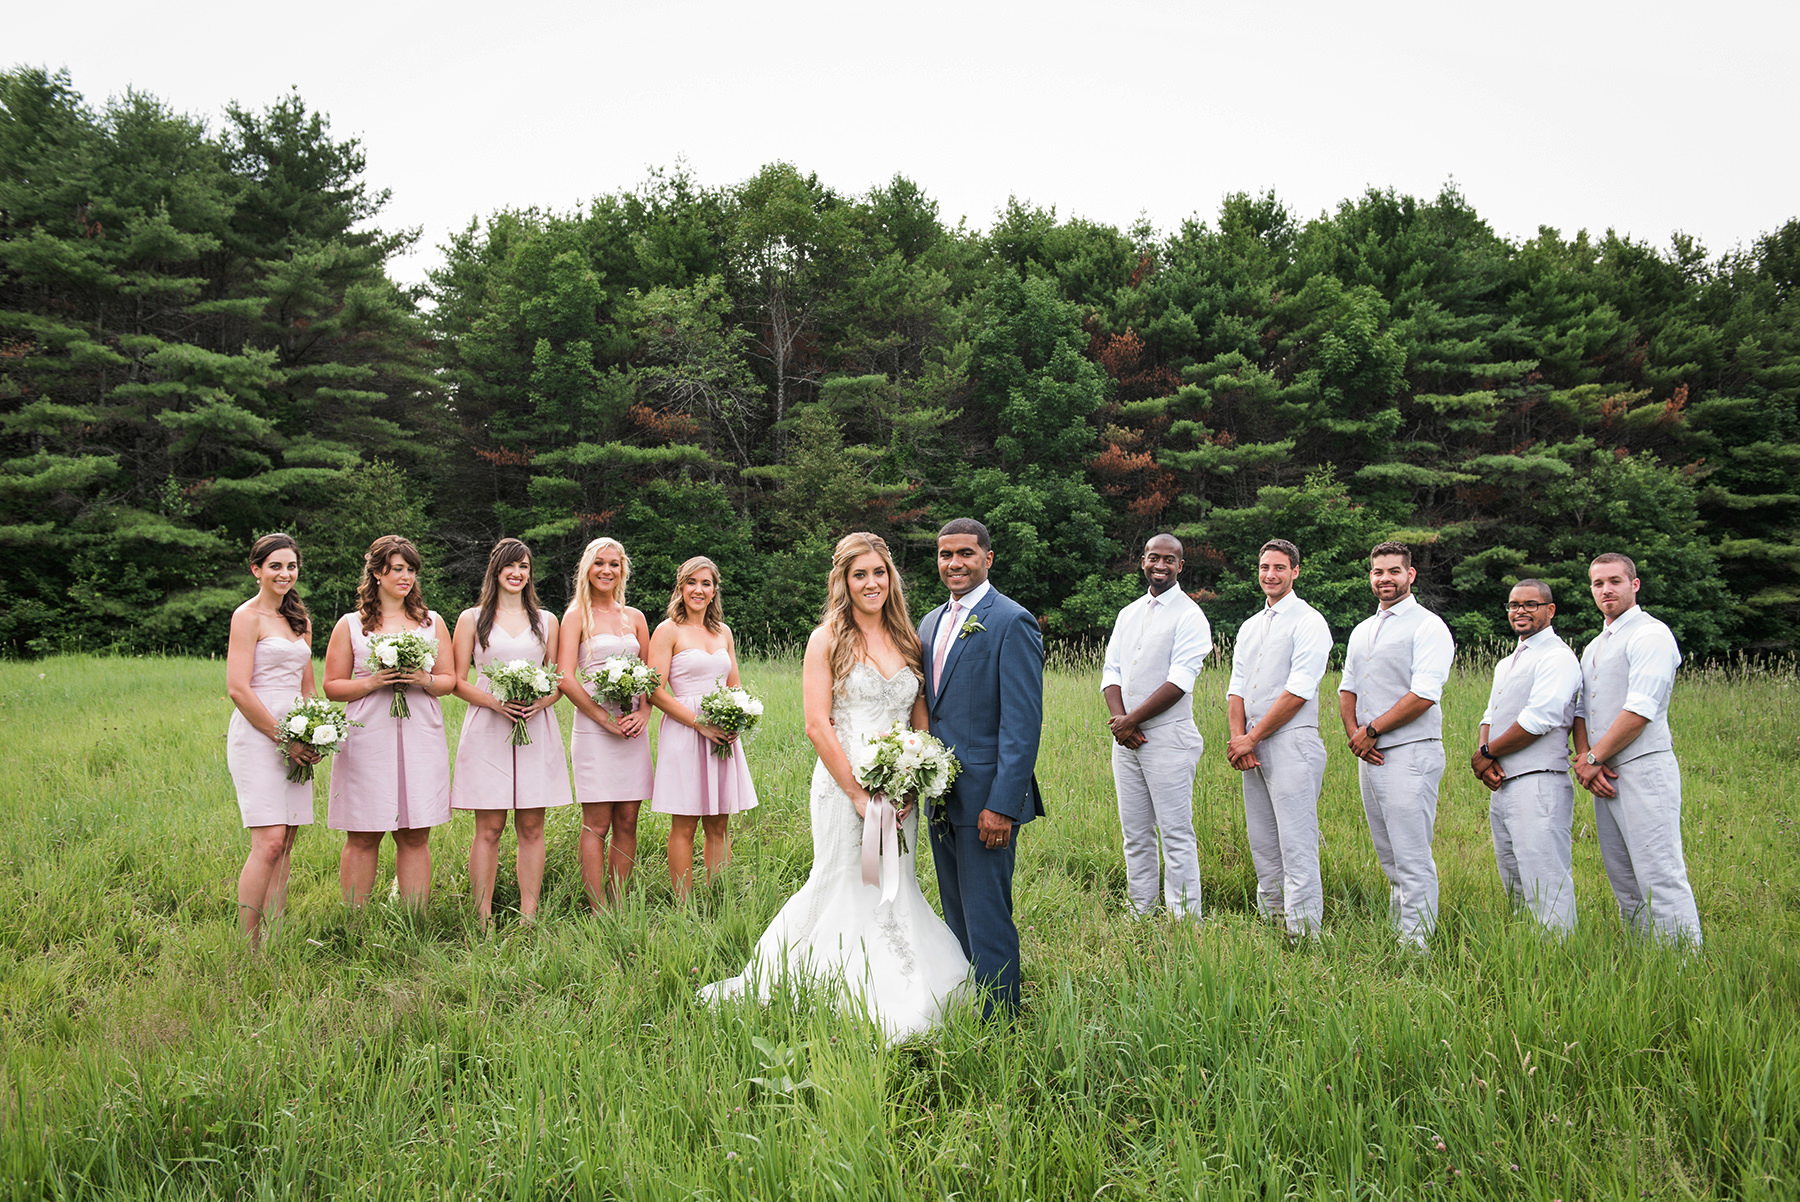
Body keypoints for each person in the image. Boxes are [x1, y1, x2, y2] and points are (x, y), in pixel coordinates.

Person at [701, 533, 971, 1041]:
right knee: (848, 878)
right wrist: (856, 792)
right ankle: (827, 982)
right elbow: (817, 724)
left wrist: (912, 776)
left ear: (891, 578)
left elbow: (921, 721)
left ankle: (905, 974)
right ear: (844, 582)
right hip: (843, 785)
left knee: (897, 883)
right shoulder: (827, 638)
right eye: (859, 574)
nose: (871, 583)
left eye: (879, 573)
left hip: (900, 789)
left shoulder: (909, 639)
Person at [919, 518, 1044, 1017]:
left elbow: (1022, 725)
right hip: (939, 792)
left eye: (966, 554)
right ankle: (969, 1005)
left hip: (987, 797)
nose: (955, 563)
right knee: (955, 912)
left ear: (987, 558)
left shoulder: (1012, 621)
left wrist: (1002, 805)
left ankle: (1003, 1021)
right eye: (946, 554)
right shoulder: (929, 623)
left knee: (987, 914)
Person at [1572, 553, 1702, 946]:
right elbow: (1581, 710)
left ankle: (1683, 965)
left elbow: (1640, 709)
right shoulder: (1595, 644)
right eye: (1598, 583)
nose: (1606, 590)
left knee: (1658, 872)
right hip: (1603, 774)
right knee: (1623, 875)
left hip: (1644, 767)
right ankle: (1646, 956)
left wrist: (1594, 759)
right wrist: (1584, 759)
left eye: (1615, 581)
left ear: (1635, 584)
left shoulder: (1651, 634)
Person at [323, 535, 455, 907]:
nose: (406, 577)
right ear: (378, 573)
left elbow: (449, 680)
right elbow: (332, 686)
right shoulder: (351, 625)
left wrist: (424, 680)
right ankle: (355, 921)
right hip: (368, 736)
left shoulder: (431, 623)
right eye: (398, 569)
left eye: (411, 570)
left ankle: (414, 920)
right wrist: (374, 681)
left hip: (420, 735)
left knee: (415, 833)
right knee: (364, 833)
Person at [450, 538, 573, 927]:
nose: (517, 573)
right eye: (510, 566)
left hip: (535, 725)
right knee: (489, 826)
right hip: (488, 724)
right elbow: (456, 681)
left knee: (532, 825)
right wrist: (494, 703)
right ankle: (481, 915)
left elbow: (557, 679)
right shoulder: (472, 618)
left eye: (524, 566)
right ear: (496, 570)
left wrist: (542, 701)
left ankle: (528, 915)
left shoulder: (546, 620)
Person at [1338, 540, 1454, 950]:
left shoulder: (1428, 626)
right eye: (1377, 572)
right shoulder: (1363, 629)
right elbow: (1347, 686)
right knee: (1388, 852)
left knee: (1411, 852)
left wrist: (1372, 731)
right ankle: (1399, 932)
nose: (1384, 579)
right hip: (1369, 754)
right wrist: (1356, 734)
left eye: (1393, 571)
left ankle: (1417, 945)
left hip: (1410, 751)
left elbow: (1424, 694)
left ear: (1410, 575)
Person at [1100, 533, 1212, 919]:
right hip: (1126, 740)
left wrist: (1133, 719)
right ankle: (1140, 910)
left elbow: (1180, 681)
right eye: (1153, 558)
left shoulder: (1190, 616)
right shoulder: (1128, 613)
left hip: (1169, 738)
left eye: (1169, 560)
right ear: (1142, 561)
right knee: (1135, 833)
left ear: (1180, 566)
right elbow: (1111, 671)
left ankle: (1184, 918)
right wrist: (1121, 722)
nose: (1159, 565)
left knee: (1175, 833)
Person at [1225, 539, 1333, 939]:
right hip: (1251, 743)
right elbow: (1236, 687)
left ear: (1295, 572)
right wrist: (1240, 739)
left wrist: (1252, 737)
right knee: (1263, 840)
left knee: (1296, 842)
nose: (1270, 574)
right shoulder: (1250, 626)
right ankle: (1272, 919)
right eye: (1264, 567)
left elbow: (1299, 690)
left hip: (1292, 741)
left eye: (1279, 568)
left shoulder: (1308, 622)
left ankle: (1303, 932)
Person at [224, 533, 321, 947]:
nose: (285, 574)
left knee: (287, 842)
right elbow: (238, 689)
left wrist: (317, 732)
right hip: (259, 735)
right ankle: (247, 946)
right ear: (256, 570)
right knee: (268, 843)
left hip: (298, 735)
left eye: (291, 566)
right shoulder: (246, 617)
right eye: (276, 566)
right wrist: (284, 738)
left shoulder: (300, 621)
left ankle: (276, 937)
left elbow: (309, 689)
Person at [1470, 580, 1582, 933]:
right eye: (1514, 605)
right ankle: (1527, 950)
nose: (1520, 611)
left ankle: (1559, 956)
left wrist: (1487, 753)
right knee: (1514, 877)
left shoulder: (1558, 657)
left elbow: (1540, 718)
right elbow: (1490, 714)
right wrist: (1487, 757)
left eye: (1530, 604)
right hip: (1505, 782)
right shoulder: (1507, 662)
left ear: (1550, 610)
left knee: (1544, 878)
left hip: (1539, 781)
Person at [647, 555, 758, 898]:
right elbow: (653, 690)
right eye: (691, 582)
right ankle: (683, 905)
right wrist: (699, 723)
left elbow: (734, 685)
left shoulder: (723, 632)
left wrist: (736, 718)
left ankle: (715, 898)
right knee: (684, 823)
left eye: (706, 583)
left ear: (714, 591)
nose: (698, 589)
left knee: (719, 822)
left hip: (721, 734)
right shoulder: (668, 630)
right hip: (685, 730)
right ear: (680, 587)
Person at [557, 537, 653, 909]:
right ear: (587, 568)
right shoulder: (576, 616)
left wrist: (643, 712)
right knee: (596, 822)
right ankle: (597, 907)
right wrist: (601, 718)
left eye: (614, 564)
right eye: (599, 563)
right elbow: (565, 676)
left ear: (622, 570)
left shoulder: (635, 618)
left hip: (631, 729)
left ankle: (619, 902)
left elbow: (649, 673)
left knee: (628, 820)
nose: (607, 570)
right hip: (595, 729)